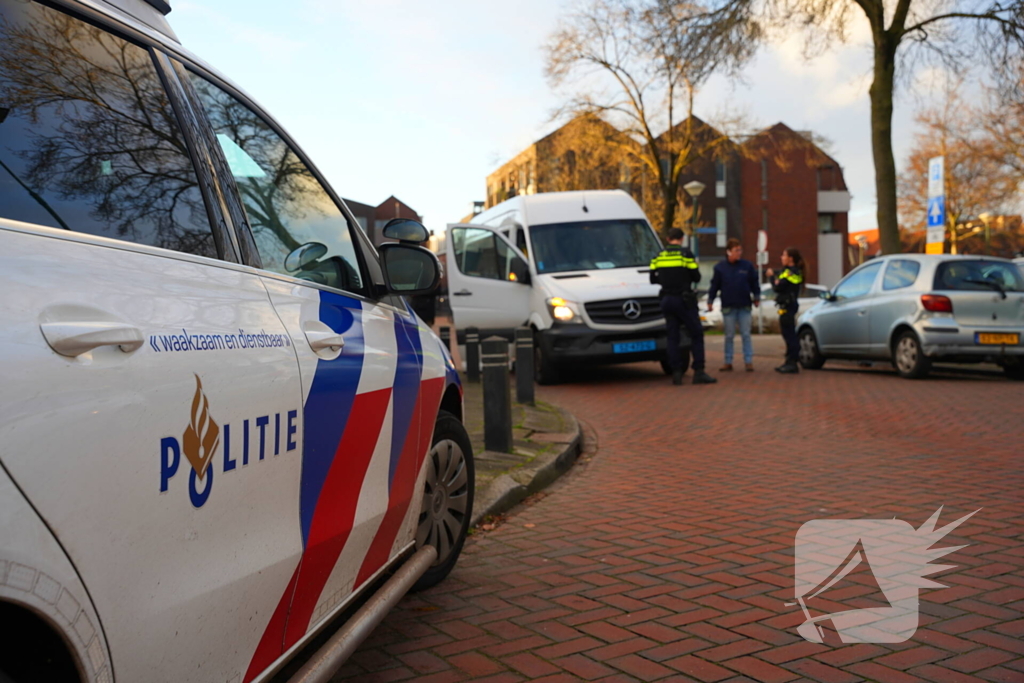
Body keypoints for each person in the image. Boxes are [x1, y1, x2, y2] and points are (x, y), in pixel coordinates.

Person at [650, 228, 717, 386]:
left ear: (668, 238)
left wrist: (667, 283)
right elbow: (696, 276)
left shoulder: (658, 256)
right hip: (684, 299)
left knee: (673, 337)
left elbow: (653, 278)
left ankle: (677, 373)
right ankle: (699, 371)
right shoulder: (686, 254)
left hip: (666, 299)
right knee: (696, 334)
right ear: (681, 239)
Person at [706, 238, 760, 372]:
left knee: (746, 334)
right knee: (729, 335)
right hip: (728, 305)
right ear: (729, 252)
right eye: (736, 250)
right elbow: (715, 285)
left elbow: (754, 283)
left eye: (740, 250)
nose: (739, 253)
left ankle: (748, 361)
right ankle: (728, 361)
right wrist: (710, 300)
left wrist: (757, 296)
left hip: (744, 305)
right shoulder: (720, 268)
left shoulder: (747, 266)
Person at [766, 247, 804, 374]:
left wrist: (771, 277)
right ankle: (789, 361)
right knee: (786, 333)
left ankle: (792, 362)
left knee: (790, 334)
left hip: (789, 306)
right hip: (786, 306)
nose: (782, 258)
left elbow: (778, 287)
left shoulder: (791, 272)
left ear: (790, 258)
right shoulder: (788, 271)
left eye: (784, 255)